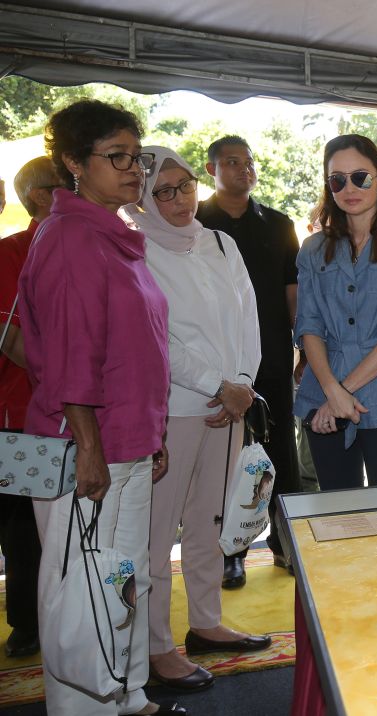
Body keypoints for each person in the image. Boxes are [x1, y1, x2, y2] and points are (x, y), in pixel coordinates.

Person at [19, 100, 179, 715]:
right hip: (79, 449)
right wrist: (89, 450)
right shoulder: (69, 238)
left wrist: (151, 432)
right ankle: (87, 705)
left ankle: (129, 694)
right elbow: (70, 357)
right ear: (73, 163)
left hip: (126, 440)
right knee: (79, 588)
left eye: (137, 157)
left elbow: (136, 349)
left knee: (120, 577)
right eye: (117, 157)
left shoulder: (113, 235)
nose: (134, 170)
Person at [122, 146, 271, 692]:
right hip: (175, 409)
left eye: (185, 186)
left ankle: (205, 622)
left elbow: (249, 317)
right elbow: (155, 338)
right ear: (142, 196)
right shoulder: (134, 248)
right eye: (162, 190)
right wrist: (218, 386)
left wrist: (244, 386)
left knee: (210, 521)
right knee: (159, 533)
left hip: (229, 406)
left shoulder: (220, 242)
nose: (179, 199)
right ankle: (157, 645)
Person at [294, 134, 377, 489]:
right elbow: (309, 325)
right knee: (337, 514)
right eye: (337, 179)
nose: (349, 187)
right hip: (322, 391)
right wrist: (330, 390)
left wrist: (340, 393)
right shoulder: (312, 250)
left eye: (361, 177)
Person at [197, 135, 301, 586]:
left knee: (282, 454)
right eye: (232, 162)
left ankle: (287, 544)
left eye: (248, 161)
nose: (243, 169)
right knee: (224, 460)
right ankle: (231, 553)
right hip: (216, 365)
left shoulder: (279, 224)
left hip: (273, 358)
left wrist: (301, 351)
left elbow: (292, 294)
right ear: (211, 170)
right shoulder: (193, 222)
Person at [0, 156, 60, 659]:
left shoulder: (80, 240)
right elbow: (9, 338)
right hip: (24, 418)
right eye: (67, 182)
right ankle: (26, 621)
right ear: (41, 196)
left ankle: (63, 616)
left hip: (77, 415)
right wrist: (64, 386)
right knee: (25, 528)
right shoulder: (12, 252)